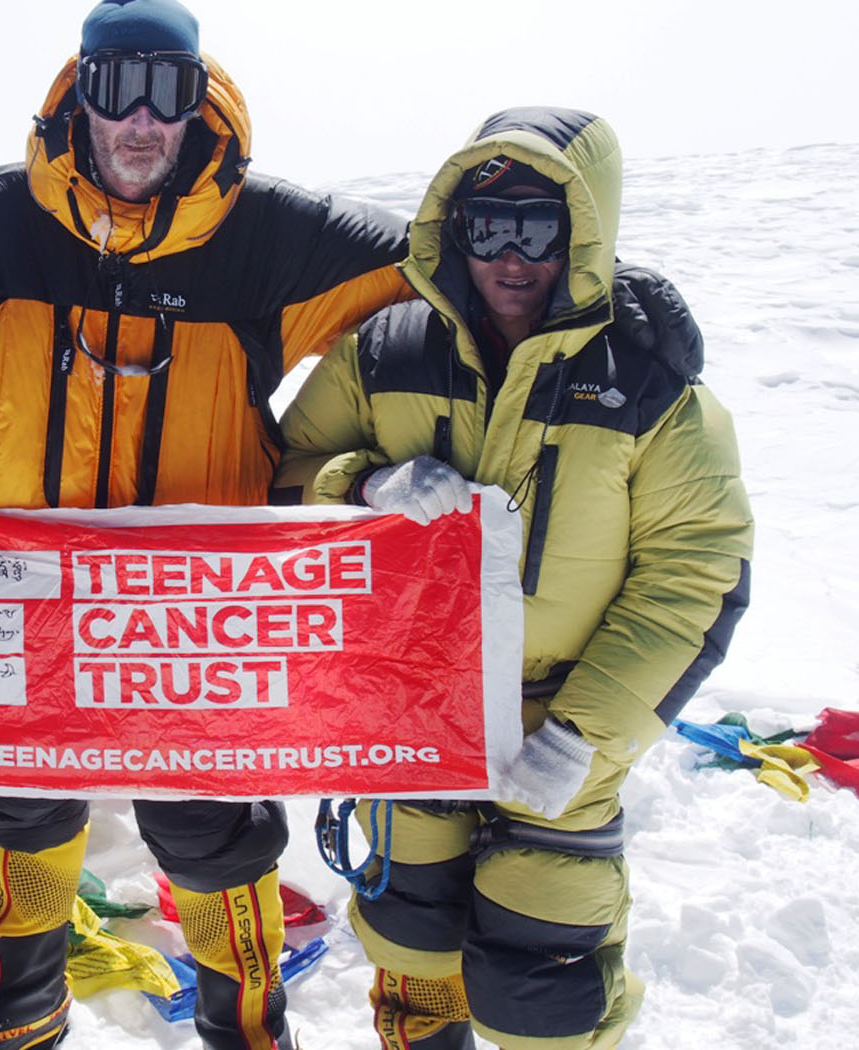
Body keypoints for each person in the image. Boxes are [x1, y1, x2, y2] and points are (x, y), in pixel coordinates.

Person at [0, 0, 428, 1046]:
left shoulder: (263, 234)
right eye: (111, 87)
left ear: (194, 103)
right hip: (21, 589)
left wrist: (600, 290)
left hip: (189, 613)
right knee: (22, 808)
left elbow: (439, 261)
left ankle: (246, 1029)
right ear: (76, 97)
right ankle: (11, 1017)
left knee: (208, 823)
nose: (137, 118)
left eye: (164, 91)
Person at [276, 108, 754, 1050]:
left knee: (543, 993)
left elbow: (693, 577)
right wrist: (362, 485)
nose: (509, 255)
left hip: (561, 727)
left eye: (536, 226)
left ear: (583, 230)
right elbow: (285, 482)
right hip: (417, 716)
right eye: (486, 228)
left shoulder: (649, 381)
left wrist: (585, 739)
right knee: (414, 956)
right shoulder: (383, 350)